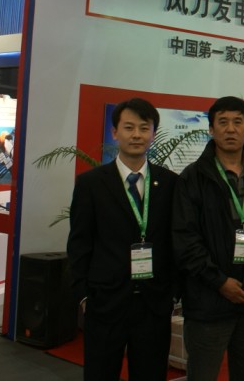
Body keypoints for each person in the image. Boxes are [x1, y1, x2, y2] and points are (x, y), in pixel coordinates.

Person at [67, 98, 177, 381]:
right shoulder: (91, 183)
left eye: (144, 128)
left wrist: (173, 292)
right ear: (115, 132)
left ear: (153, 134)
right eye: (129, 128)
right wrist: (83, 296)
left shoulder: (169, 183)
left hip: (154, 304)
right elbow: (79, 243)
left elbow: (174, 240)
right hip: (105, 302)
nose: (136, 135)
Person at [172, 96, 244, 381]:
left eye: (237, 122)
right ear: (211, 129)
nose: (230, 129)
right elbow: (185, 240)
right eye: (223, 122)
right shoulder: (192, 178)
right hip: (208, 304)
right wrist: (219, 282)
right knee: (202, 375)